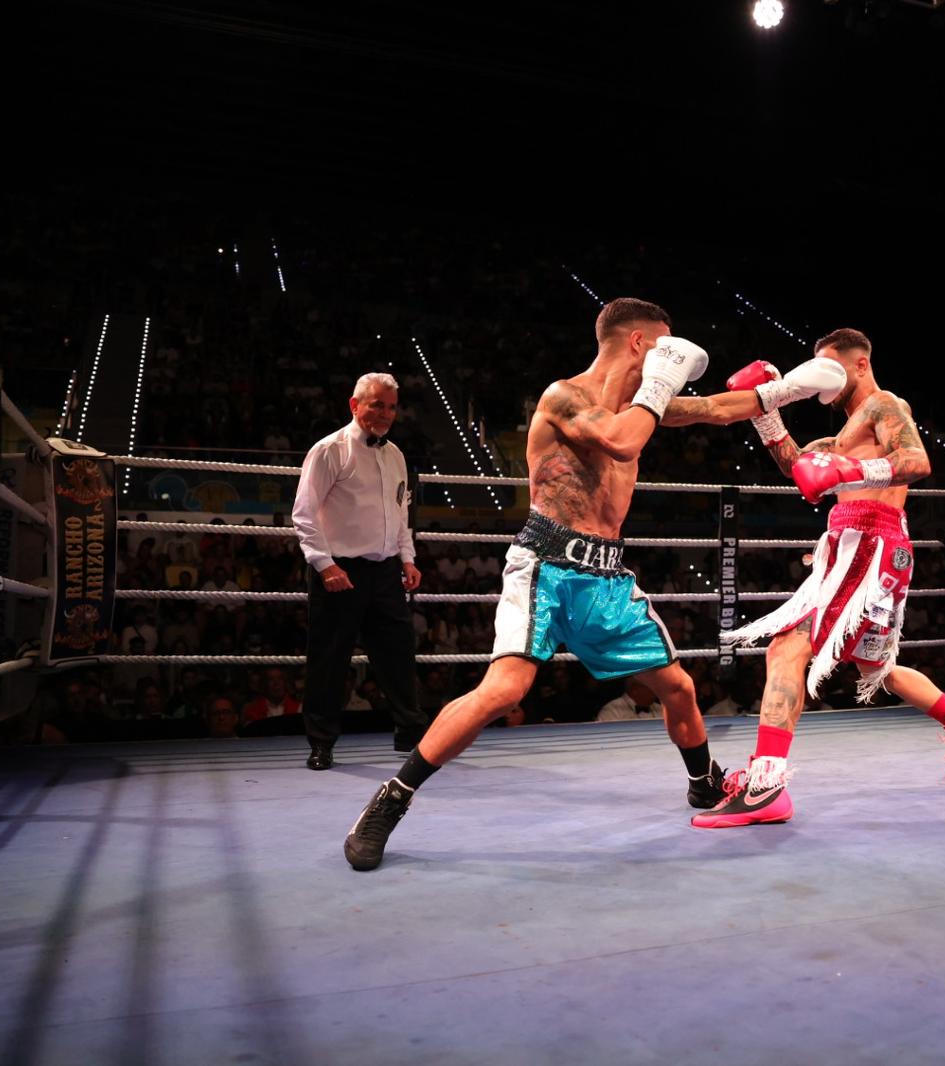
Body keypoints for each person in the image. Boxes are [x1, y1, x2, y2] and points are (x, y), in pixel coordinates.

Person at [343, 297, 844, 870]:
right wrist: (657, 386)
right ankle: (390, 801)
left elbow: (713, 408)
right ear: (639, 345)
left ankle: (704, 782)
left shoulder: (644, 404)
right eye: (662, 348)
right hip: (546, 565)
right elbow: (621, 441)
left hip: (605, 575)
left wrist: (784, 392)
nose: (668, 367)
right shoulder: (566, 398)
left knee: (677, 687)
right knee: (504, 690)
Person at [693, 328, 945, 829]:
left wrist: (846, 471)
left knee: (786, 647)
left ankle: (766, 785)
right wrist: (766, 412)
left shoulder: (883, 404)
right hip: (853, 547)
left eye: (833, 368)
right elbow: (800, 469)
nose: (826, 381)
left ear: (859, 365)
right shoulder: (842, 434)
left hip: (870, 542)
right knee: (874, 666)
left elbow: (916, 462)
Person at [292, 371, 428, 770]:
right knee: (329, 660)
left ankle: (409, 731)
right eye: (376, 405)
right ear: (355, 405)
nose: (384, 414)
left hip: (385, 570)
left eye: (390, 406)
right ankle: (321, 743)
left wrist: (407, 558)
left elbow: (400, 513)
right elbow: (303, 514)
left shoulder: (396, 454)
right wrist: (324, 564)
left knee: (398, 653)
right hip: (340, 570)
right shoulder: (329, 450)